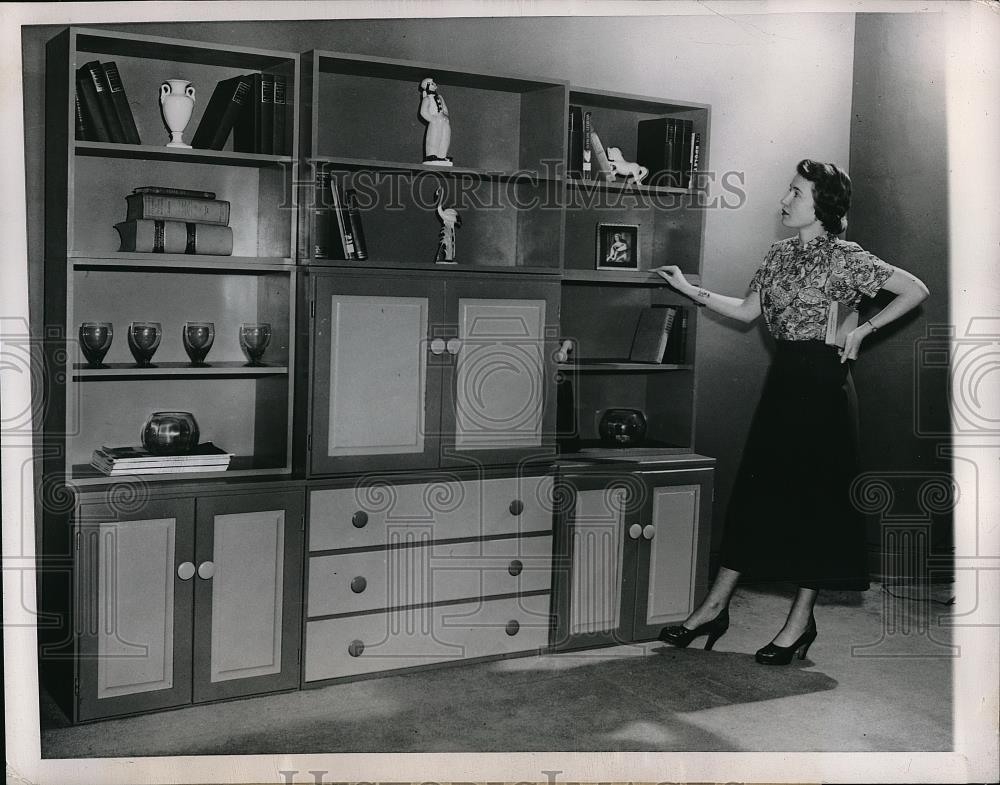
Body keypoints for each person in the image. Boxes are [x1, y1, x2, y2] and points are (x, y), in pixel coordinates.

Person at [653, 159, 929, 665]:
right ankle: (714, 608)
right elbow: (745, 310)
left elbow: (914, 290)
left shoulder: (847, 256)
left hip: (824, 384)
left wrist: (862, 330)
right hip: (783, 382)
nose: (784, 200)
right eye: (788, 190)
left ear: (820, 205)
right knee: (757, 494)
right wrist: (689, 290)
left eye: (795, 193)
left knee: (816, 504)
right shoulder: (778, 253)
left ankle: (798, 623)